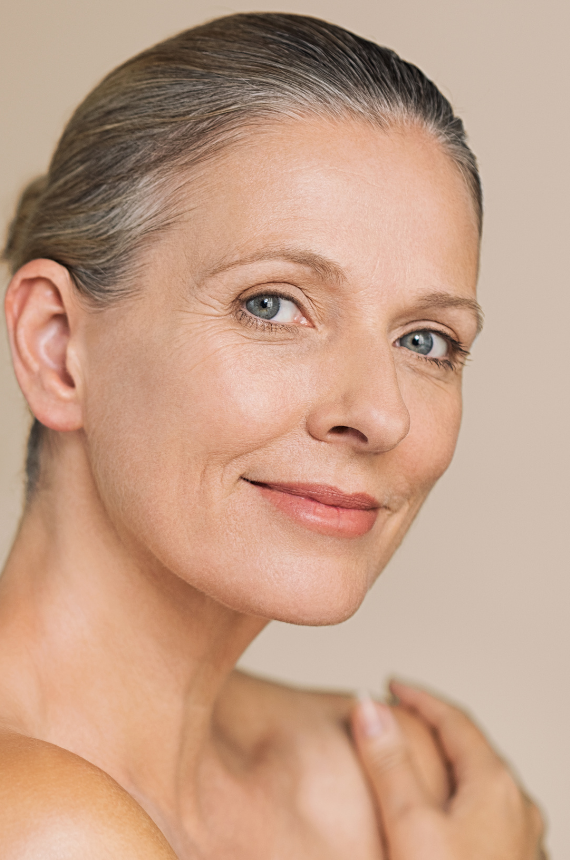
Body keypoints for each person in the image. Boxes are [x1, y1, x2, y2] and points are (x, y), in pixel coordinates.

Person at [0, 12, 545, 859]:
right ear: (58, 347)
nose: (379, 412)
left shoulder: (372, 782)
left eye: (426, 341)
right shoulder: (38, 822)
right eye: (272, 304)